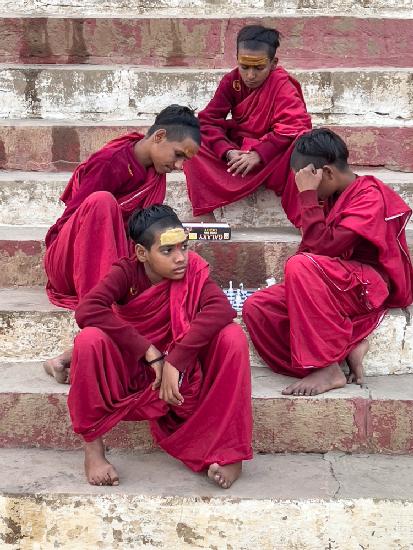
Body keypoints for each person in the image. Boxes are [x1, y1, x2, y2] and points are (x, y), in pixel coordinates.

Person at [67, 204, 253, 488]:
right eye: (167, 251)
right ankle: (93, 451)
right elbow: (88, 309)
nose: (180, 258)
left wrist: (175, 361)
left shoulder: (192, 272)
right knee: (88, 340)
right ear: (142, 254)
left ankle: (230, 451)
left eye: (184, 247)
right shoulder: (126, 273)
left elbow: (221, 308)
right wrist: (149, 352)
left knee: (233, 336)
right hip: (135, 366)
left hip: (181, 372)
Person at [243, 128, 413, 396]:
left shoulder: (369, 196)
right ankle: (344, 350)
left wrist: (308, 196)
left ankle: (326, 367)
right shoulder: (332, 194)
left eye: (311, 182)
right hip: (337, 280)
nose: (309, 191)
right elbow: (314, 248)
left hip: (368, 286)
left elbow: (322, 248)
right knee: (258, 307)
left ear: (328, 173)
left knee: (299, 266)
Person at [44, 105, 201, 381]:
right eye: (178, 156)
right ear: (159, 136)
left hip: (115, 261)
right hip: (69, 259)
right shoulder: (111, 162)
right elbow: (74, 221)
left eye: (184, 161)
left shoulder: (156, 174)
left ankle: (71, 355)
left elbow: (145, 234)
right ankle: (96, 326)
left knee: (165, 256)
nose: (179, 166)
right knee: (102, 203)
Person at [184, 24, 312, 224]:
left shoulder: (281, 84)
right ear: (237, 61)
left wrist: (259, 154)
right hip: (237, 156)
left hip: (272, 157)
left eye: (259, 68)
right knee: (191, 141)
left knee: (305, 145)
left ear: (273, 63)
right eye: (244, 67)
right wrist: (227, 151)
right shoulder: (231, 81)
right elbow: (208, 121)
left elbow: (296, 126)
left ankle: (306, 221)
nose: (250, 76)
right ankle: (203, 214)